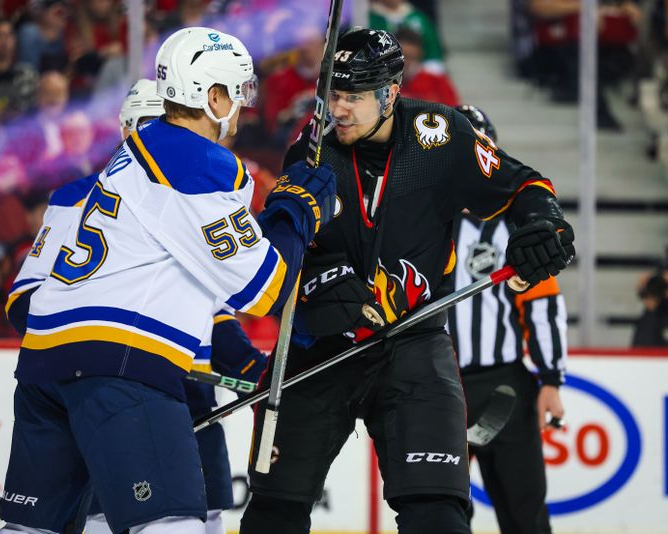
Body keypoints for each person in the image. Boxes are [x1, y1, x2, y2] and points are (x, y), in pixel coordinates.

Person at [0, 26, 336, 534]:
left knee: (32, 529)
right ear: (212, 95)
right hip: (121, 364)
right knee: (172, 524)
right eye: (236, 93)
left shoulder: (135, 155)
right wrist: (298, 209)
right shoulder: (198, 161)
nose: (241, 108)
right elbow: (266, 290)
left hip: (47, 362)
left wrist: (282, 214)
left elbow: (205, 250)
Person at [240, 28, 575, 534]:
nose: (340, 109)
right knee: (274, 511)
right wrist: (313, 283)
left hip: (413, 345)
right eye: (334, 94)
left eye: (353, 97)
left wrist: (544, 222)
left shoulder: (440, 135)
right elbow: (279, 252)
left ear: (390, 93)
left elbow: (524, 184)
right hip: (323, 352)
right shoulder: (310, 153)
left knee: (437, 512)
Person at [5, 79, 268, 534]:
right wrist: (110, 341)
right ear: (126, 129)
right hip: (125, 380)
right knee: (137, 520)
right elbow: (24, 303)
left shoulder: (188, 190)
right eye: (144, 125)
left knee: (202, 519)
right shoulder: (81, 197)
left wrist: (246, 363)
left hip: (182, 393)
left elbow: (217, 308)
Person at [449, 104, 567, 534]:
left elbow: (543, 304)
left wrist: (551, 379)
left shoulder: (513, 226)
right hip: (434, 387)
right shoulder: (418, 223)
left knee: (524, 508)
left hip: (504, 386)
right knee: (439, 511)